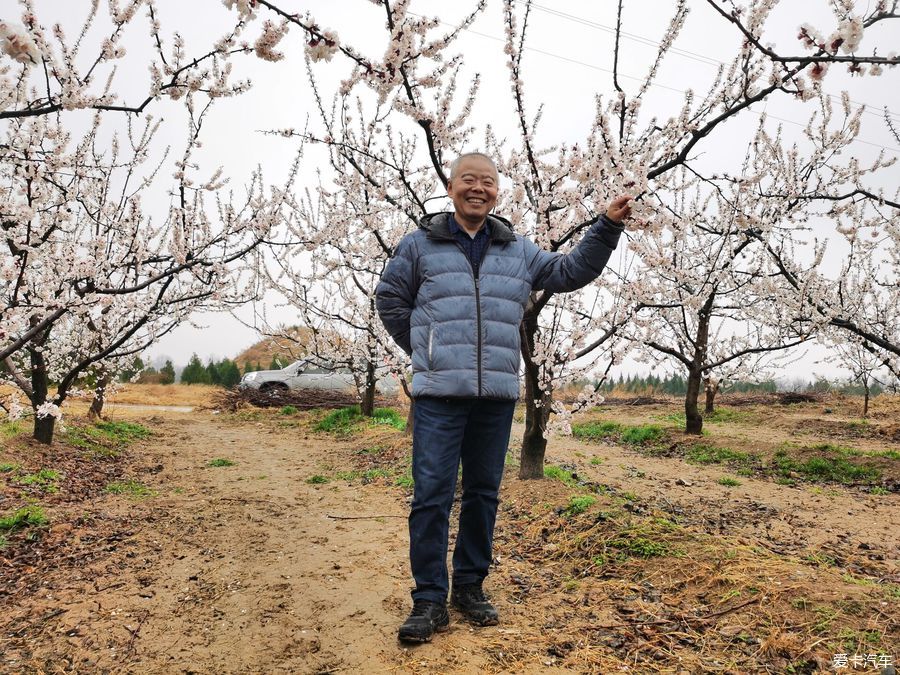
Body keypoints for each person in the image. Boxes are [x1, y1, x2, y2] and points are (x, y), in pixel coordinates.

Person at [375, 152, 632, 643]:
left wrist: (606, 227)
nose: (478, 189)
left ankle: (469, 585)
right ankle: (429, 599)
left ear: (497, 192)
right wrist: (426, 350)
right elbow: (389, 298)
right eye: (468, 180)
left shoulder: (517, 250)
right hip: (438, 397)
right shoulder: (419, 246)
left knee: (483, 494)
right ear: (451, 188)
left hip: (494, 397)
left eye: (487, 182)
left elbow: (571, 271)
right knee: (431, 496)